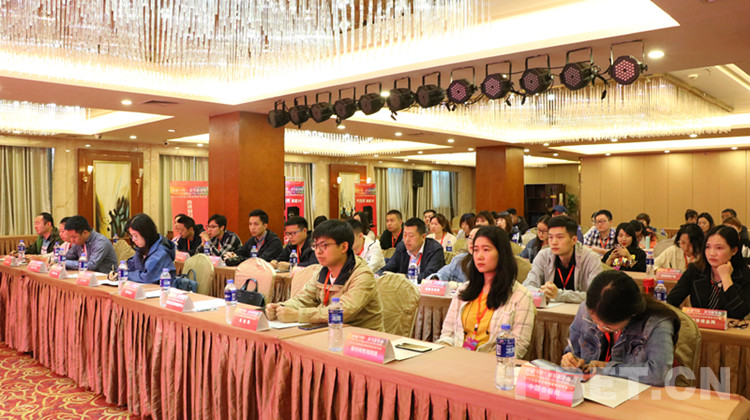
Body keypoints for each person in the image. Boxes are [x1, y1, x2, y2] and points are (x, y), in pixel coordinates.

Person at [561, 271, 680, 386]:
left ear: (632, 313)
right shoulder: (586, 310)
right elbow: (572, 350)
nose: (600, 328)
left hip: (637, 394)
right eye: (594, 321)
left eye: (608, 326)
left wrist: (608, 369)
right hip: (591, 390)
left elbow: (658, 374)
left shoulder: (656, 324)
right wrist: (569, 361)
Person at [266, 220, 384, 331]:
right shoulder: (323, 271)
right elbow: (304, 299)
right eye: (315, 245)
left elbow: (342, 312)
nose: (318, 251)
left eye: (324, 245)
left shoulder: (362, 275)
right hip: (330, 332)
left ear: (344, 247)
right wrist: (280, 307)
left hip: (361, 338)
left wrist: (298, 315)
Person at [436, 226, 535, 356]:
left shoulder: (521, 296)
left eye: (486, 250)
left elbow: (517, 347)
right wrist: (446, 352)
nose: (479, 256)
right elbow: (447, 334)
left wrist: (476, 359)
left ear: (501, 253)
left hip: (493, 364)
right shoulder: (464, 290)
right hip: (457, 359)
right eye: (476, 250)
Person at [667, 225, 750, 319]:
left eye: (719, 248)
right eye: (708, 247)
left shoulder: (745, 275)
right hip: (699, 326)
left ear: (734, 250)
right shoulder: (695, 270)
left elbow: (739, 313)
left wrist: (726, 278)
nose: (712, 253)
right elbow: (671, 301)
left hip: (730, 328)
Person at [523, 216, 602, 303]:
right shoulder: (543, 256)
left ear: (574, 240)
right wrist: (541, 293)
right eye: (550, 237)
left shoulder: (591, 258)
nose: (554, 242)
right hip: (551, 309)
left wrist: (559, 294)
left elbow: (595, 295)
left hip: (579, 309)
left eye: (559, 237)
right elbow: (527, 286)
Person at [379, 218, 445, 282]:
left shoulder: (435, 249)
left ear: (423, 237)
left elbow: (429, 276)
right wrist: (380, 274)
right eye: (405, 235)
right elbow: (387, 269)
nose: (407, 240)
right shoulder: (402, 247)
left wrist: (404, 277)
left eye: (411, 236)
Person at [125, 213, 176, 284]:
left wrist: (126, 275)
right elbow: (130, 266)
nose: (133, 240)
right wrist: (118, 272)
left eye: (136, 236)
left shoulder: (161, 253)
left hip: (162, 289)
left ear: (146, 233)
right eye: (131, 236)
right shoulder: (142, 249)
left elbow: (147, 278)